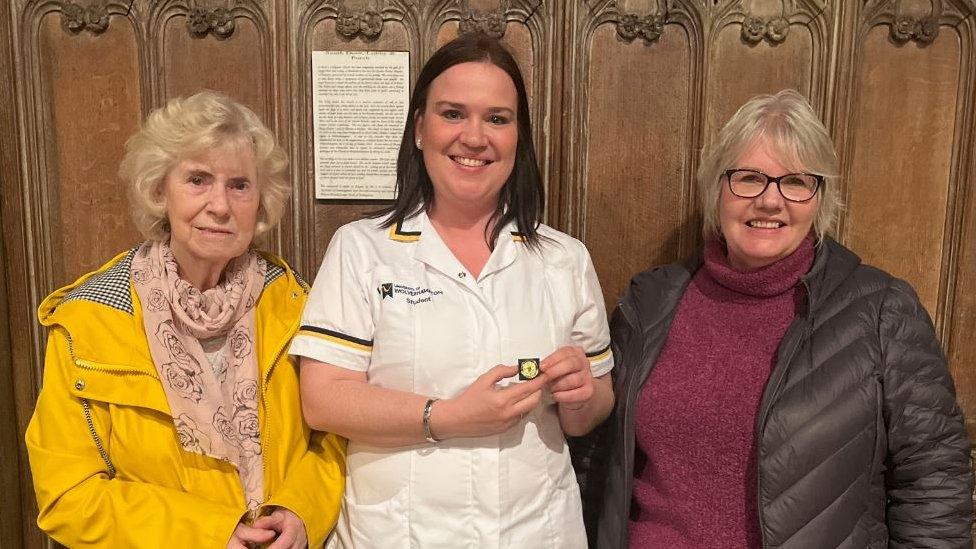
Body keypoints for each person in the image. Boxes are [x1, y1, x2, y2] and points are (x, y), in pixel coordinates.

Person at [573, 89, 973, 548]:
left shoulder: (883, 310)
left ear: (821, 198)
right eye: (748, 178)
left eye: (797, 181)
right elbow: (598, 462)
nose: (770, 201)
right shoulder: (651, 301)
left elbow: (933, 482)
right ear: (716, 188)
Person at [291, 33, 614, 548]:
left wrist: (581, 396)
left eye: (497, 119)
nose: (474, 136)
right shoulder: (361, 249)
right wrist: (447, 418)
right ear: (420, 129)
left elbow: (594, 407)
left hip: (536, 532)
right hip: (401, 534)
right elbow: (324, 400)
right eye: (453, 114)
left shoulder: (564, 259)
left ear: (518, 137)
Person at [25, 91, 345, 548]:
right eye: (198, 179)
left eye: (239, 185)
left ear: (260, 202)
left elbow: (334, 440)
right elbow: (67, 494)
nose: (220, 205)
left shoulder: (297, 305)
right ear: (159, 190)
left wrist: (301, 510)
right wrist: (208, 535)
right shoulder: (90, 320)